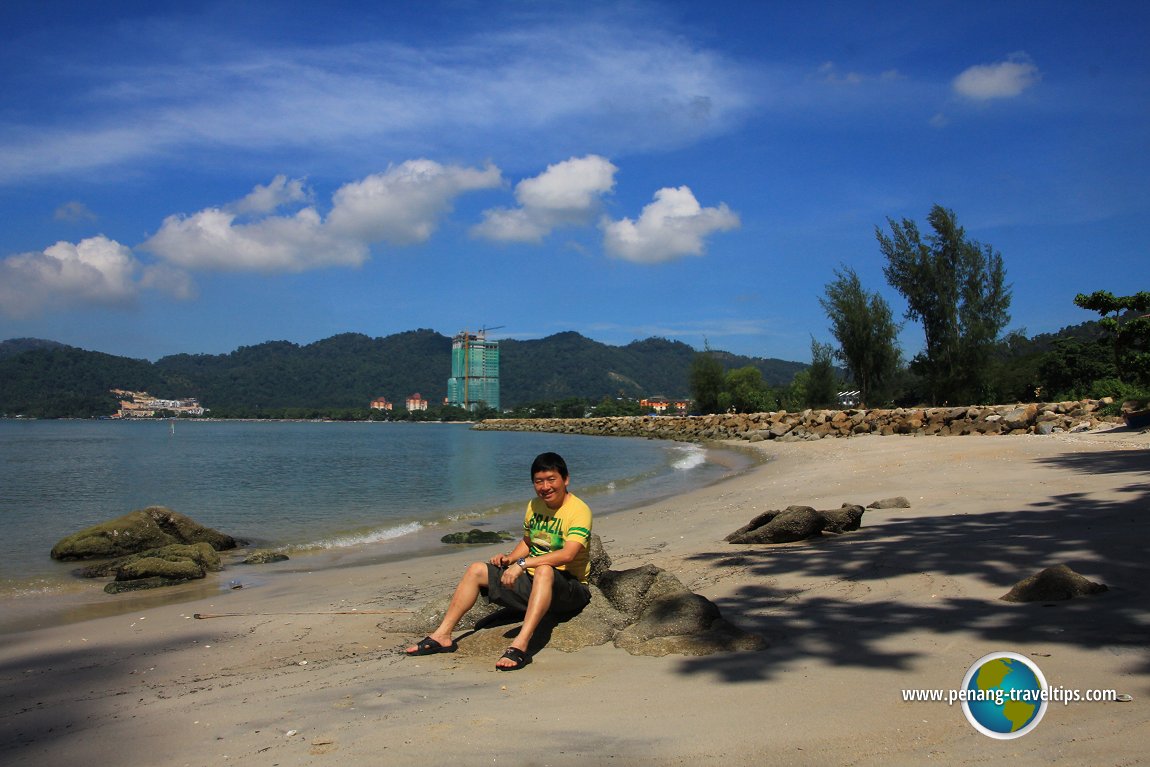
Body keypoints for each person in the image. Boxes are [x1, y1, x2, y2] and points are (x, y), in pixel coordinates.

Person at [405, 451, 592, 670]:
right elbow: (529, 541)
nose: (545, 487)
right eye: (538, 481)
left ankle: (521, 645)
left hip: (570, 589)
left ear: (565, 479)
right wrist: (510, 558)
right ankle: (443, 635)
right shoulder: (534, 506)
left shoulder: (579, 510)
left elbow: (567, 554)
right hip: (534, 583)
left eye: (551, 479)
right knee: (476, 569)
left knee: (544, 569)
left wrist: (521, 565)